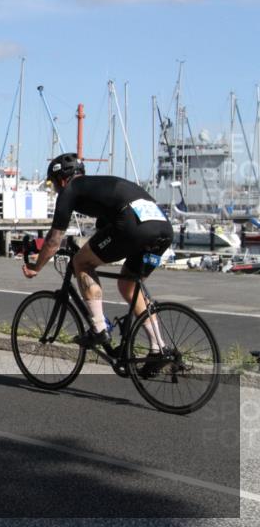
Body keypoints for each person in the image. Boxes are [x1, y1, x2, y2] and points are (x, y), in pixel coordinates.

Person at [22, 153, 174, 369]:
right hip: (163, 229)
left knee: (82, 262)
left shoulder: (70, 190)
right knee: (129, 286)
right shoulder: (100, 187)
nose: (56, 189)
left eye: (54, 184)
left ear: (62, 179)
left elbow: (54, 240)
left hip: (133, 226)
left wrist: (36, 267)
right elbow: (104, 229)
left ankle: (99, 329)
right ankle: (158, 349)